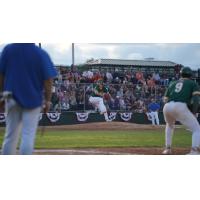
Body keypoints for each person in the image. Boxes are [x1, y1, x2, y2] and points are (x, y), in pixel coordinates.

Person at [0, 43, 57, 155]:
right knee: (28, 135)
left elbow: (1, 74)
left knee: (10, 136)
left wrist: (2, 94)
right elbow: (48, 80)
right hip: (33, 99)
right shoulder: (40, 53)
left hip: (11, 97)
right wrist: (48, 100)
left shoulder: (8, 50)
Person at [162, 67, 200, 155]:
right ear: (190, 75)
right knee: (197, 129)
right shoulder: (193, 83)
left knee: (170, 125)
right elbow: (196, 99)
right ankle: (194, 151)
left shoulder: (173, 83)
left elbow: (165, 99)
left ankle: (167, 149)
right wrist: (194, 112)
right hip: (180, 106)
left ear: (181, 74)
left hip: (167, 106)